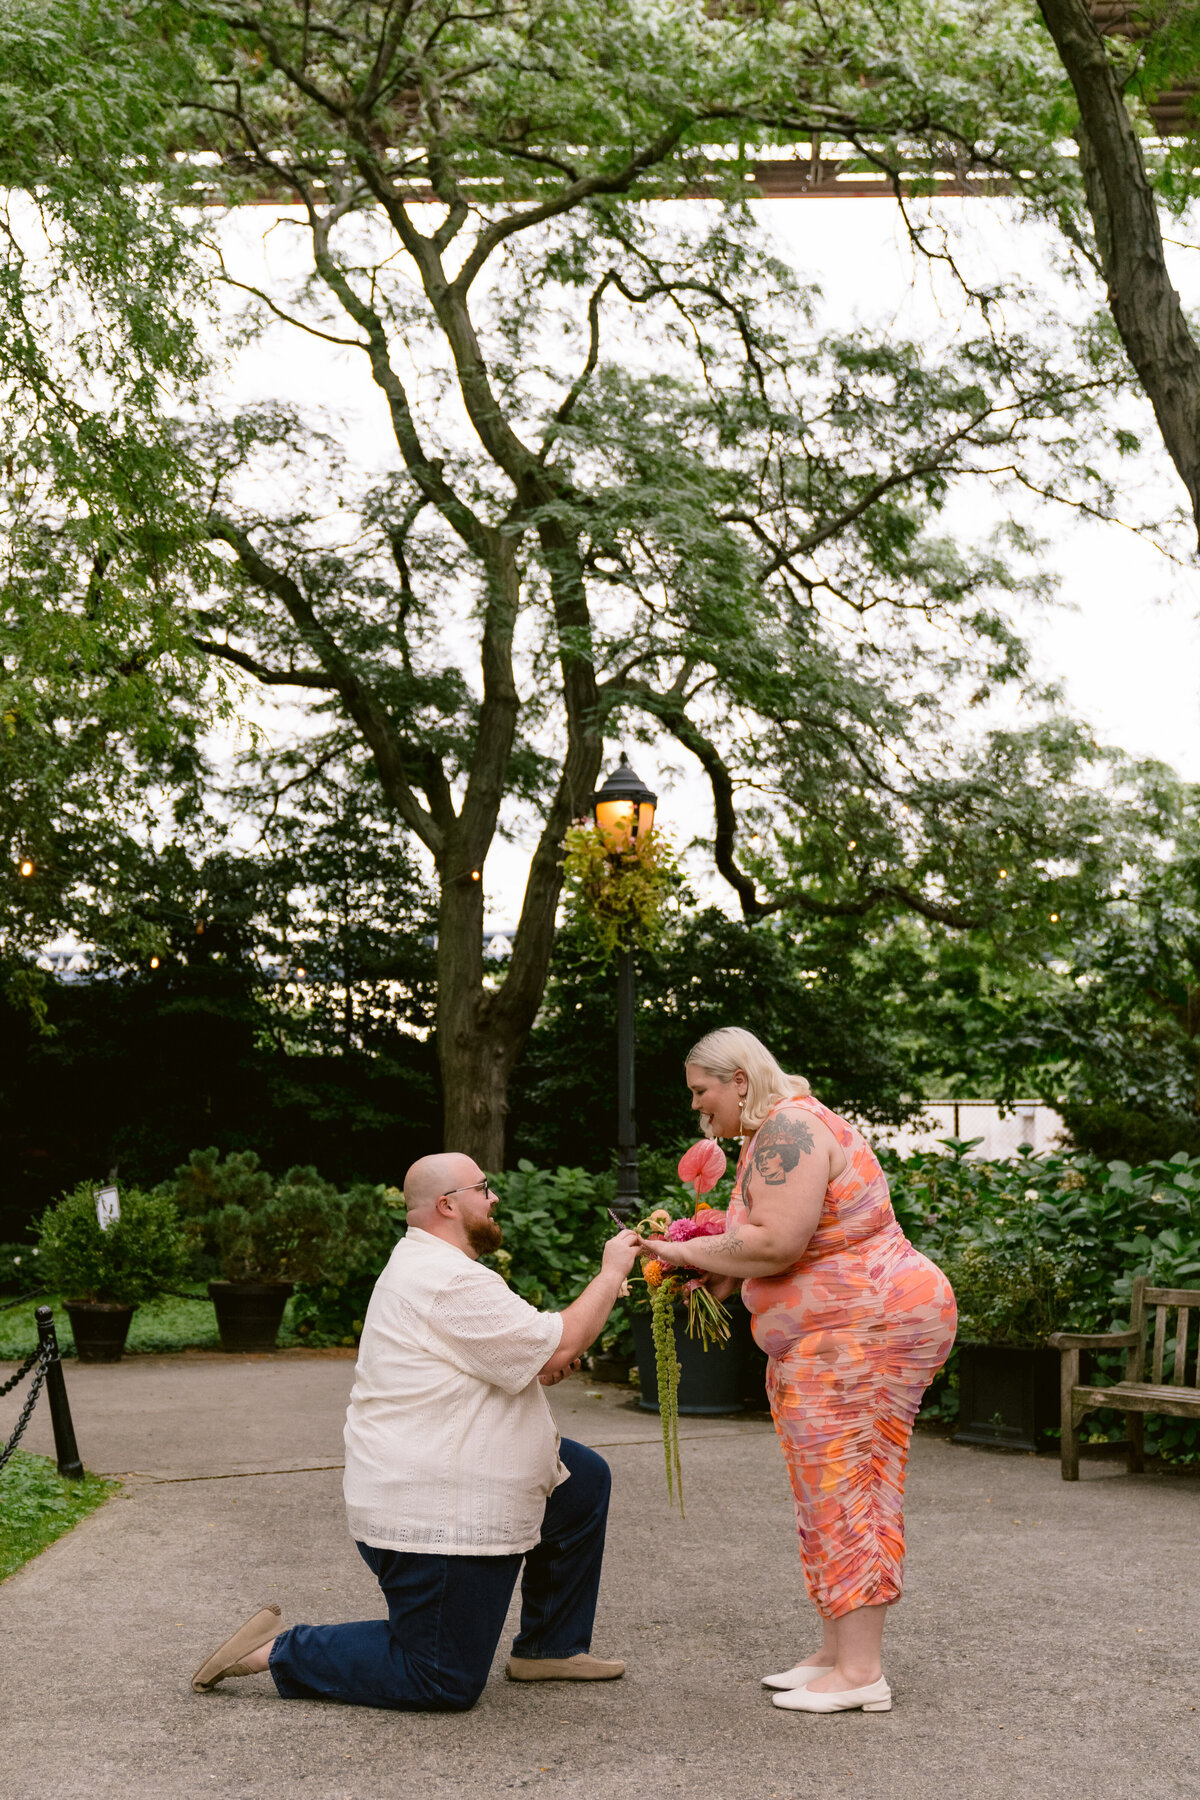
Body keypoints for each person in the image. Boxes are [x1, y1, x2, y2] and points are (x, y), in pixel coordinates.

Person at [192, 1152, 641, 1710]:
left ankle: (549, 1647)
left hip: (440, 1476)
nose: (494, 1197)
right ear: (447, 1204)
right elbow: (561, 1343)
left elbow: (529, 1354)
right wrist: (612, 1271)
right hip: (433, 1509)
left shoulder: (436, 1268)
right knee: (441, 1678)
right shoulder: (442, 1278)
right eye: (484, 1188)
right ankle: (278, 1649)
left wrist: (545, 1358)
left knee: (581, 1479)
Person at [636, 1027, 956, 1716]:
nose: (700, 1112)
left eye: (703, 1093)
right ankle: (836, 1652)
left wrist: (678, 1251)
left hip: (866, 1329)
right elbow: (769, 1250)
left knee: (849, 1481)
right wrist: (709, 1274)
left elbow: (775, 1242)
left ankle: (862, 1671)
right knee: (823, 1485)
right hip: (832, 1337)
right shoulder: (771, 1133)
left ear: (740, 1081)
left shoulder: (788, 1129)